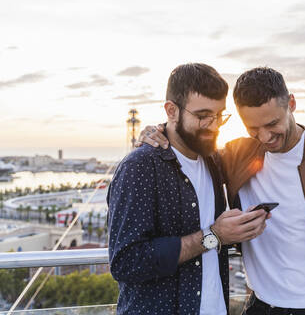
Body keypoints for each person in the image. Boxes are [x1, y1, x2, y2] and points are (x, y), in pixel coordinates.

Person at [139, 67, 305, 315]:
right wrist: (159, 130)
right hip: (259, 305)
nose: (264, 137)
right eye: (253, 129)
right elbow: (189, 142)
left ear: (291, 104)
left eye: (272, 124)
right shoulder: (238, 155)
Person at [107, 63, 269, 315]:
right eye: (203, 115)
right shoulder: (140, 167)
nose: (213, 125)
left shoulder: (213, 160)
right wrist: (214, 235)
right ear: (171, 110)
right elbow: (126, 262)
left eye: (219, 115)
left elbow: (270, 138)